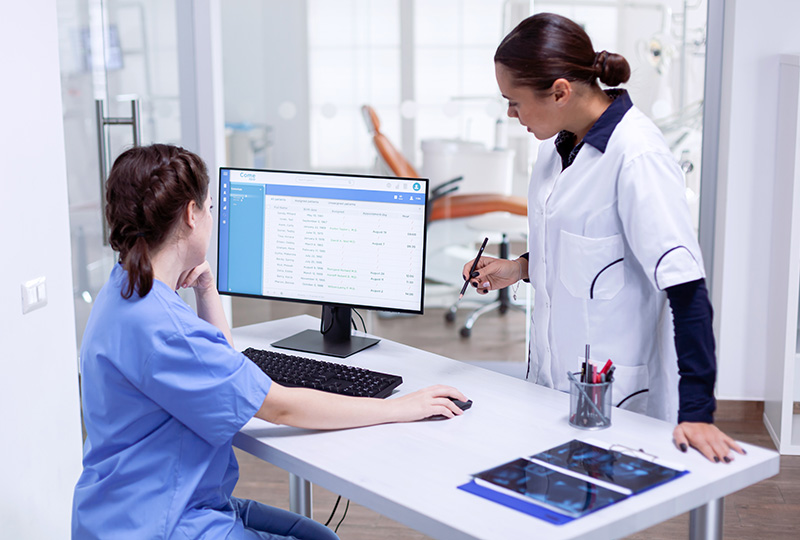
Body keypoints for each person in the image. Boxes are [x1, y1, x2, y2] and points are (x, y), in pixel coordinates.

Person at [72, 144, 467, 539]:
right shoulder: (168, 330)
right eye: (209, 208)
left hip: (119, 509)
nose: (211, 217)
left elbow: (219, 365)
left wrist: (206, 289)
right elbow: (281, 409)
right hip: (165, 522)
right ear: (191, 215)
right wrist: (401, 407)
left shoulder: (123, 289)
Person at [462, 13, 744, 463]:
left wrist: (698, 411)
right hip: (548, 386)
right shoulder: (553, 150)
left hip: (615, 397)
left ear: (560, 91)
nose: (511, 114)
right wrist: (517, 269)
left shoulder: (637, 158)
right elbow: (586, 252)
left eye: (513, 102)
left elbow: (687, 290)